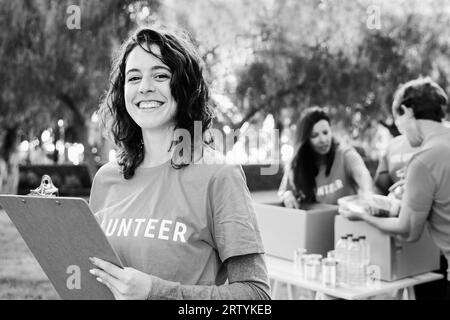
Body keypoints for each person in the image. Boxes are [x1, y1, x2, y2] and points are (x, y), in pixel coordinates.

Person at [88, 27, 270, 300]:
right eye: (133, 77)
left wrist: (155, 293)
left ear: (184, 87)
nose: (145, 87)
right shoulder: (106, 179)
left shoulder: (218, 175)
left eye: (160, 75)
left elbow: (257, 296)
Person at [340, 77, 450, 300]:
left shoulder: (423, 159)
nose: (401, 133)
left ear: (407, 110)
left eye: (398, 122)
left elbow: (408, 230)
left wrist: (361, 216)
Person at [278, 107, 373, 208]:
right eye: (314, 135)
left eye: (325, 132)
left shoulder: (345, 155)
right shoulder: (296, 165)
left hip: (344, 221)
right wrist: (287, 195)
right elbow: (282, 193)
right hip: (314, 221)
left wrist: (366, 191)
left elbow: (362, 175)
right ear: (305, 140)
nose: (323, 139)